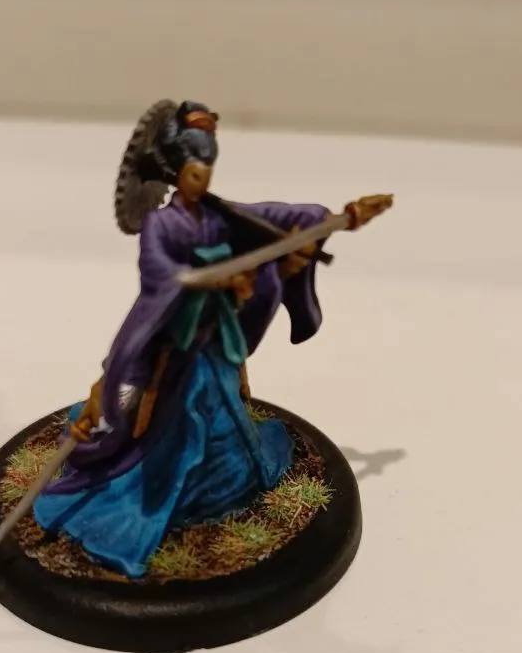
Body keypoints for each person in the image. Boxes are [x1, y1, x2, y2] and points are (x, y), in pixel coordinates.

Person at [33, 100, 379, 577]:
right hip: (170, 342)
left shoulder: (218, 217)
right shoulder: (161, 224)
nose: (203, 181)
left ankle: (221, 485)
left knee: (223, 419)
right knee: (141, 413)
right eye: (195, 172)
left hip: (214, 341)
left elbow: (273, 220)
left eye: (208, 171)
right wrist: (206, 278)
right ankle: (142, 478)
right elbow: (159, 273)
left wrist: (330, 220)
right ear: (178, 173)